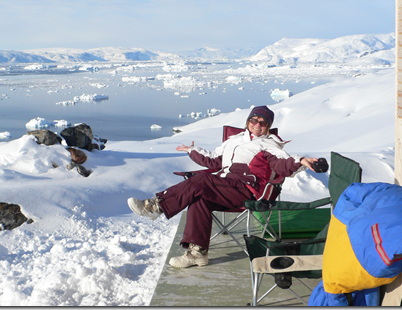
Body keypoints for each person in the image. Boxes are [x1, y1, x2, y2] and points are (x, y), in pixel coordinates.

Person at [127, 105, 328, 268]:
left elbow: (282, 163)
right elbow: (213, 161)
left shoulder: (269, 144)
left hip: (245, 190)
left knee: (202, 182)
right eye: (254, 120)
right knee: (200, 198)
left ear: (268, 127)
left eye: (263, 122)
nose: (257, 125)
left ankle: (154, 206)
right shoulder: (234, 140)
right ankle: (197, 253)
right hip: (225, 185)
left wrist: (301, 161)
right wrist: (191, 150)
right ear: (248, 121)